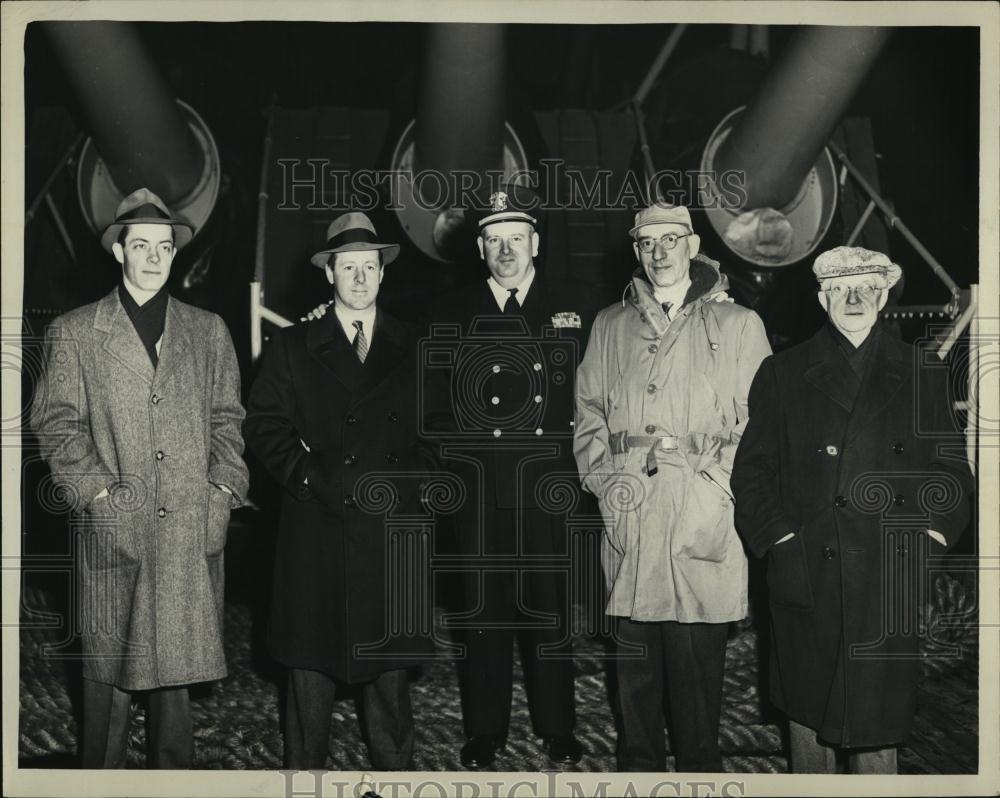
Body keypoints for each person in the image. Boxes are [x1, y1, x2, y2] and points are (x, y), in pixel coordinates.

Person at [29, 187, 249, 768]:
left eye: (165, 247)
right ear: (118, 251)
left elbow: (228, 419)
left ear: (175, 255)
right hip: (113, 531)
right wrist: (98, 493)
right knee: (108, 686)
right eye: (142, 245)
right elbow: (55, 423)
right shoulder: (76, 332)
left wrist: (222, 489)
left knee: (174, 692)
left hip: (186, 530)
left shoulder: (209, 332)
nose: (154, 257)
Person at [731, 246, 973, 773]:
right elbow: (751, 475)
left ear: (884, 295)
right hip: (807, 575)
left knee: (875, 735)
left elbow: (952, 474)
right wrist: (779, 542)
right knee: (807, 730)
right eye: (841, 289)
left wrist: (925, 542)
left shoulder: (921, 372)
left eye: (866, 286)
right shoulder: (783, 373)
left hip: (884, 580)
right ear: (823, 299)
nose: (855, 297)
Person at [574, 202, 771, 772]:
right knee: (634, 674)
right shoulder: (610, 324)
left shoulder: (737, 324)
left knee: (696, 679)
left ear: (692, 245)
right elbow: (587, 414)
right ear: (636, 250)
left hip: (700, 512)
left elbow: (758, 423)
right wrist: (605, 483)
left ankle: (699, 774)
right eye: (647, 243)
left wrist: (715, 485)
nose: (659, 252)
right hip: (631, 511)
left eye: (671, 240)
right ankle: (638, 773)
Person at [243, 211, 435, 770]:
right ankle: (305, 780)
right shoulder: (291, 346)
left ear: (383, 273)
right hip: (316, 526)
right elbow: (262, 426)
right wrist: (307, 476)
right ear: (329, 273)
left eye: (368, 267)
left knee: (390, 681)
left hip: (391, 530)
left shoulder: (415, 345)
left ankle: (395, 778)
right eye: (347, 267)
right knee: (309, 678)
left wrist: (410, 484)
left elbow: (440, 430)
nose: (358, 278)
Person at [424, 185, 586, 769]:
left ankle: (558, 728)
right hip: (482, 491)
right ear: (480, 249)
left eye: (516, 239)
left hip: (548, 485)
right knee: (483, 616)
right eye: (495, 241)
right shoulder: (450, 311)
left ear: (535, 243)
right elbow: (434, 408)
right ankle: (485, 730)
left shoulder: (574, 306)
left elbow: (590, 399)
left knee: (550, 613)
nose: (507, 251)